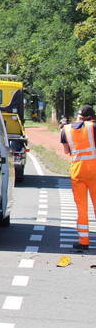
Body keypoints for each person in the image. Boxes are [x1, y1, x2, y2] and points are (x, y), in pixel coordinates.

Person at [60, 105, 95, 252]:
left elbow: (66, 151)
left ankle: (84, 241)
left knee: (81, 208)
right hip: (94, 171)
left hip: (77, 172)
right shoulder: (93, 127)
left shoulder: (65, 130)